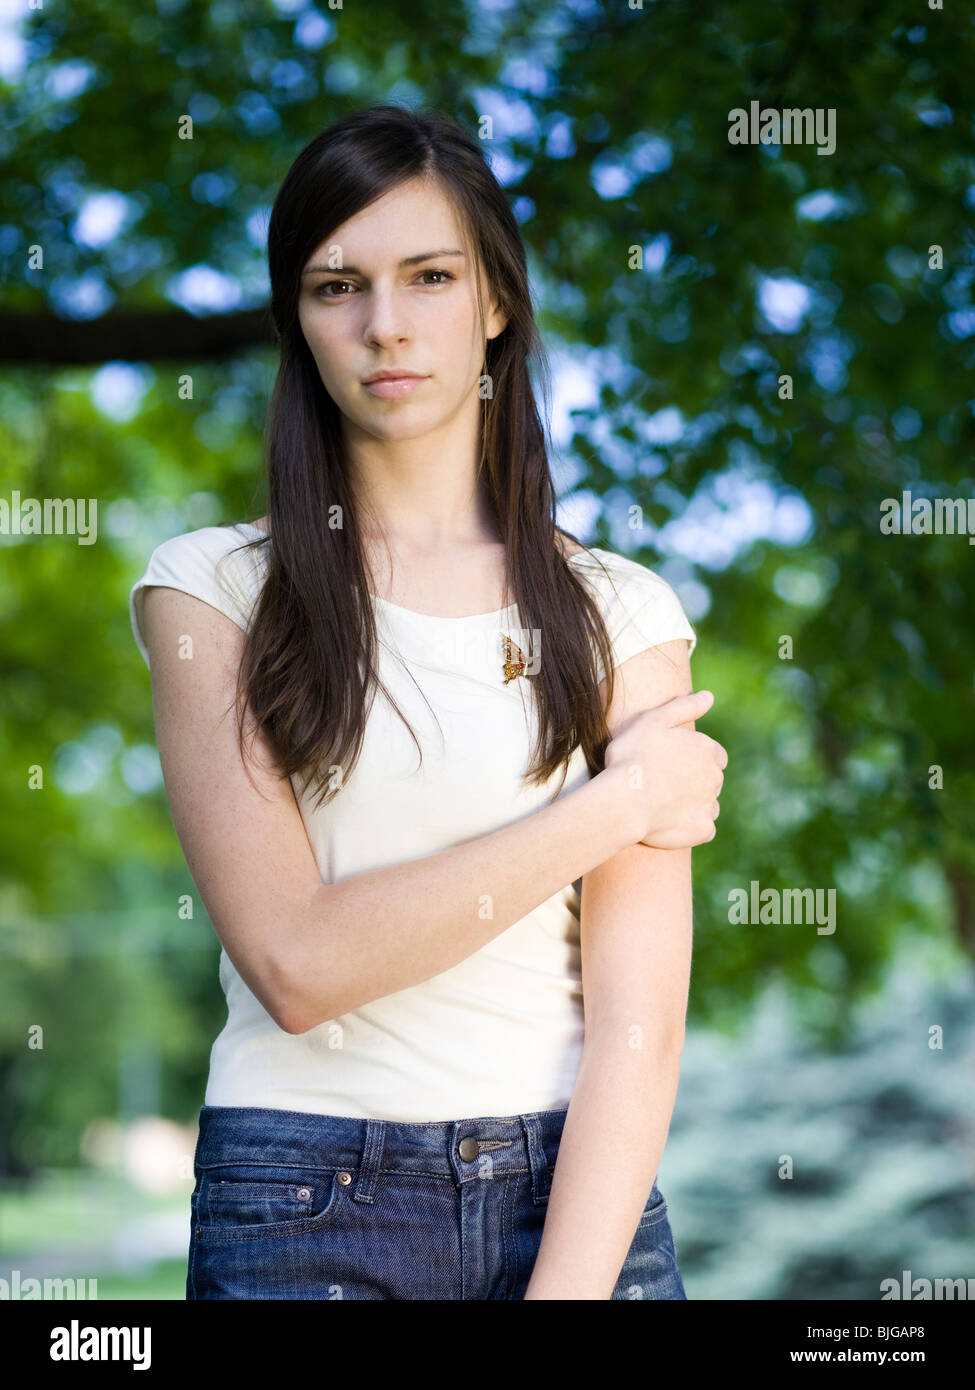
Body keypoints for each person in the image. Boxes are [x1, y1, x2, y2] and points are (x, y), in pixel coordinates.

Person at [128, 104, 727, 1301]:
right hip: (300, 1197)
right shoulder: (210, 591)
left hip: (578, 1199)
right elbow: (296, 961)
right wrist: (619, 805)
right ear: (298, 320)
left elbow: (636, 1027)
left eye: (431, 276)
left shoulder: (623, 611)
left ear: (496, 303)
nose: (385, 325)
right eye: (336, 286)